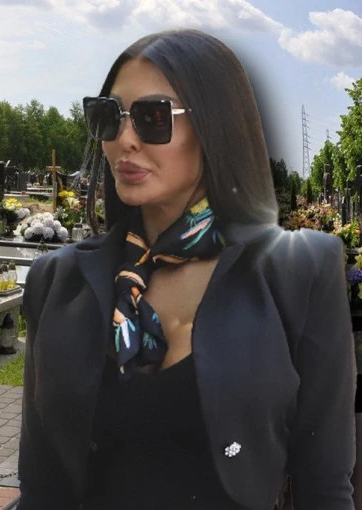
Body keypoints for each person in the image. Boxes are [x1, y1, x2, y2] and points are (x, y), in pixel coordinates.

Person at [18, 29, 355, 509]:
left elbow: (325, 485)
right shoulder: (57, 282)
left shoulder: (298, 272)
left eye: (154, 117)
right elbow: (40, 485)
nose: (124, 140)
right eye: (109, 116)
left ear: (215, 125)